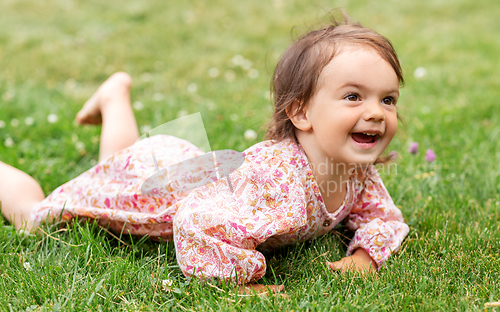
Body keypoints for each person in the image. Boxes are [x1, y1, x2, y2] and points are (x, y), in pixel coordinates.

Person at [0, 15, 408, 295]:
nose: (376, 112)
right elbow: (195, 221)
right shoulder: (278, 182)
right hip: (154, 196)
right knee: (34, 216)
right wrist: (241, 281)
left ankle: (113, 96)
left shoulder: (354, 174)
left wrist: (363, 255)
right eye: (353, 96)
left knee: (123, 156)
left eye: (387, 99)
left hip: (184, 168)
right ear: (301, 112)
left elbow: (382, 217)